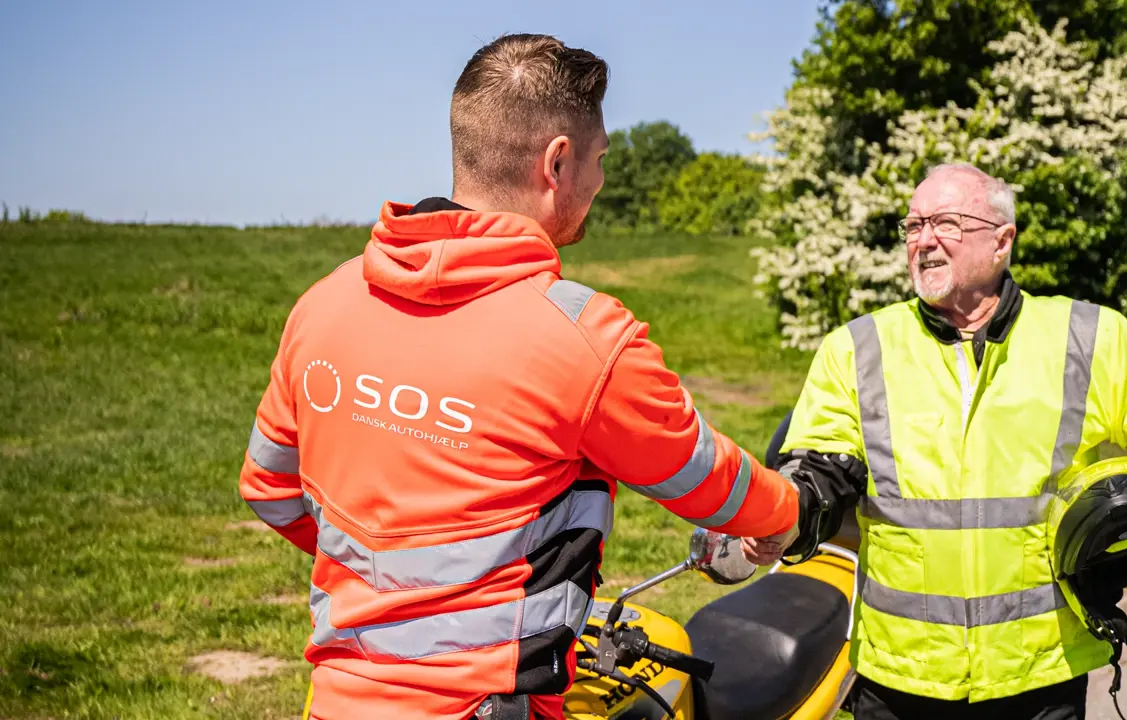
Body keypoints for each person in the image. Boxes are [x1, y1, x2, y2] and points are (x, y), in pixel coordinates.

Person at [238, 33, 798, 720]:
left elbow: (270, 490)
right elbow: (707, 479)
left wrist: (388, 583)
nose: (601, 181)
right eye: (600, 160)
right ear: (557, 163)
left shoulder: (326, 302)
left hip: (335, 703)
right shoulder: (585, 339)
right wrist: (789, 512)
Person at [743, 163, 1127, 720]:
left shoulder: (1090, 339)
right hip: (897, 680)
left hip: (1040, 677)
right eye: (914, 225)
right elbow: (817, 469)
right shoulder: (856, 347)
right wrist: (782, 515)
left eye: (945, 222)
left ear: (1002, 240)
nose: (924, 240)